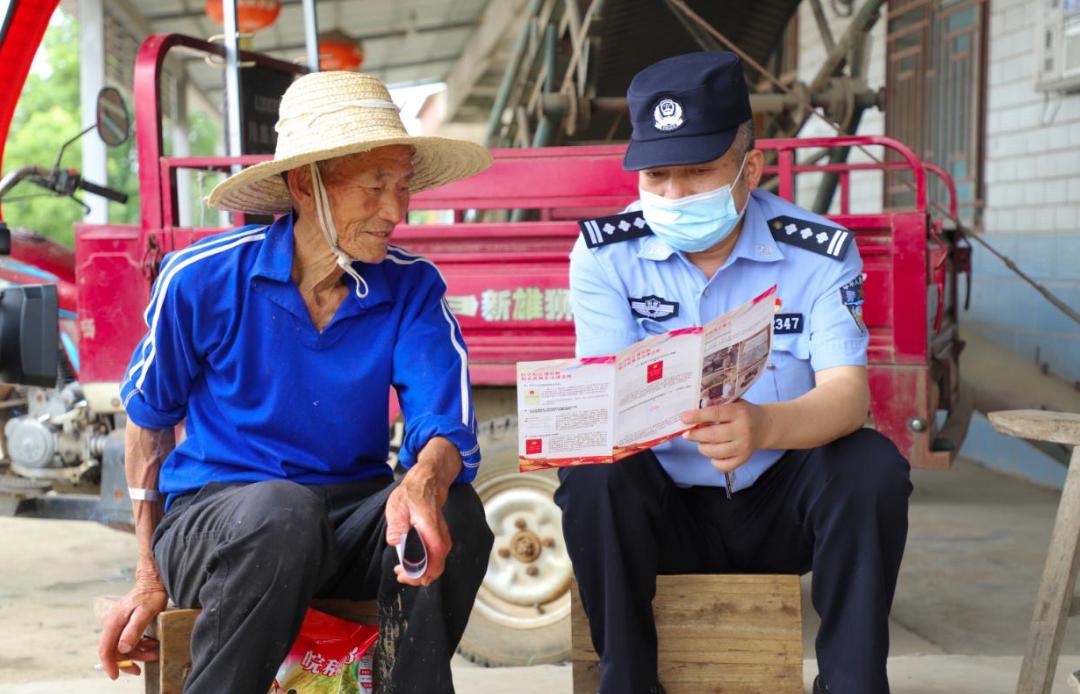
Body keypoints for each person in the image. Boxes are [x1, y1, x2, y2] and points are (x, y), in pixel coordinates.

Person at [97, 71, 495, 694]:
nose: (396, 211)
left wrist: (423, 478)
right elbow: (148, 426)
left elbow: (444, 422)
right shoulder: (201, 279)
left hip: (345, 516)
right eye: (374, 188)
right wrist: (147, 574)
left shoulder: (412, 287)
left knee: (457, 512)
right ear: (304, 185)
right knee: (284, 512)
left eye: (401, 187)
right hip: (220, 518)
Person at [558, 52, 912, 694]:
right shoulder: (605, 255)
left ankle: (853, 684)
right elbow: (605, 401)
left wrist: (765, 424)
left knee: (871, 466)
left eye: (697, 173)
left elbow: (848, 394)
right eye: (657, 175)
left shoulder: (819, 252)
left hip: (781, 506)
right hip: (663, 513)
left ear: (749, 168)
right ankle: (628, 683)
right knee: (594, 476)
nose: (672, 195)